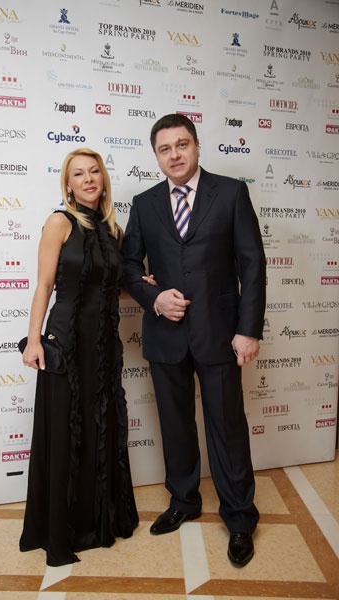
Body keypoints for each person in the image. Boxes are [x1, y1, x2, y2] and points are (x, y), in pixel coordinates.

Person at [121, 114, 266, 568]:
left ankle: (239, 518)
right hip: (165, 334)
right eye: (165, 149)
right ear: (156, 156)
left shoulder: (231, 193)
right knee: (175, 424)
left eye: (181, 145)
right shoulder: (144, 203)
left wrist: (248, 330)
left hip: (220, 333)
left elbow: (252, 264)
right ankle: (184, 501)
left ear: (197, 146)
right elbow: (128, 266)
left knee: (228, 427)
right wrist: (153, 297)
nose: (174, 155)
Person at [19, 148, 139, 567]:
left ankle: (96, 521)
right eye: (78, 174)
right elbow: (44, 284)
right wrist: (33, 340)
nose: (88, 179)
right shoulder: (59, 223)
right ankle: (60, 530)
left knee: (99, 428)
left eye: (94, 172)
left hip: (103, 348)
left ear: (103, 180)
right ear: (68, 185)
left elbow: (110, 287)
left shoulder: (114, 231)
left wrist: (142, 287)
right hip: (66, 343)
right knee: (65, 432)